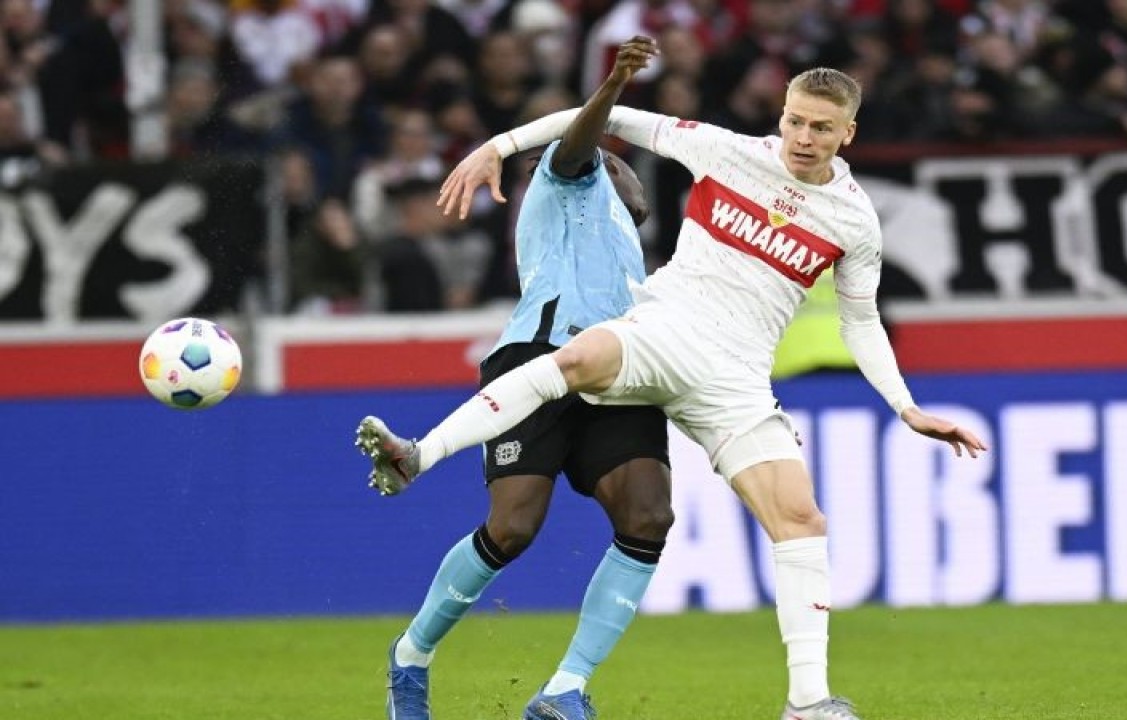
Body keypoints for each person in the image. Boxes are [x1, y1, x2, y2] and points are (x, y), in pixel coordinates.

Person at [359, 35, 988, 720]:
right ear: (780, 113)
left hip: (736, 378)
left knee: (798, 517)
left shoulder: (854, 219)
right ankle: (419, 458)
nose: (803, 138)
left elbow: (859, 320)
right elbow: (611, 124)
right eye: (794, 120)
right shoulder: (721, 151)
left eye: (821, 128)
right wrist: (501, 145)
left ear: (848, 132)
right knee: (569, 373)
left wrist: (905, 406)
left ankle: (807, 701)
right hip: (666, 333)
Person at [355, 39, 673, 720]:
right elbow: (579, 138)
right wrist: (612, 87)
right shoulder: (567, 180)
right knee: (514, 526)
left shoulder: (626, 237)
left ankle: (564, 690)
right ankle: (410, 655)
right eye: (622, 158)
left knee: (648, 514)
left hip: (622, 366)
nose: (630, 169)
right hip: (538, 357)